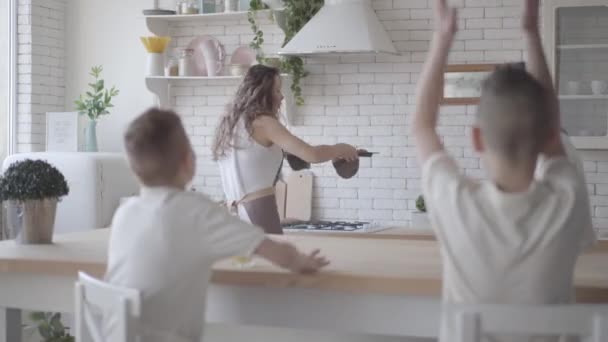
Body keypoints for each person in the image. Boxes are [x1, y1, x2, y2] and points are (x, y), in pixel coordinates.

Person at [412, 1, 596, 341]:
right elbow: (550, 120)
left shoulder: (456, 204)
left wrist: (441, 37)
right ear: (551, 136)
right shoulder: (568, 200)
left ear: (477, 138)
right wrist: (531, 31)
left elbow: (422, 127)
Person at [105, 108, 329, 342]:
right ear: (188, 161)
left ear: (133, 169)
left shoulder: (125, 212)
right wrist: (301, 260)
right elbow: (275, 252)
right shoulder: (196, 211)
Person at [212, 65, 359, 234]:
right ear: (262, 93)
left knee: (248, 261)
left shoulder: (231, 122)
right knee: (272, 261)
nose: (281, 97)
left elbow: (252, 161)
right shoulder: (264, 122)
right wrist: (340, 148)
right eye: (277, 91)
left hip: (233, 213)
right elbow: (313, 154)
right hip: (258, 211)